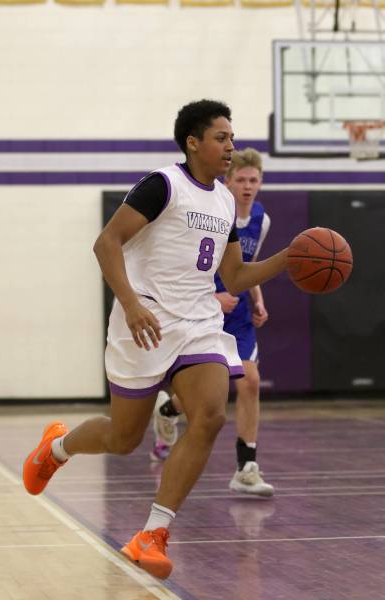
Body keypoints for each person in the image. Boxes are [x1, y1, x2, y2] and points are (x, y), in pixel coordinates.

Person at [23, 99, 289, 580]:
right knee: (124, 439)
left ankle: (153, 533)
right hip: (142, 318)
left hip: (197, 323)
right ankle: (57, 448)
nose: (230, 146)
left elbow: (233, 273)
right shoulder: (162, 185)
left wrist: (289, 257)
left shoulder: (226, 199)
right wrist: (129, 302)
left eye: (231, 137)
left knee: (209, 414)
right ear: (194, 142)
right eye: (221, 138)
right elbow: (106, 243)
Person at [150, 148, 274, 498]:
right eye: (241, 180)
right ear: (228, 180)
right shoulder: (211, 211)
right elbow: (187, 266)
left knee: (249, 381)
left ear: (260, 182)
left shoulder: (261, 219)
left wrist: (258, 299)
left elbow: (248, 265)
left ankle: (246, 467)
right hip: (202, 309)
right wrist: (213, 298)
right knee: (209, 401)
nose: (247, 187)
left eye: (253, 180)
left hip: (238, 315)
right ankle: (169, 407)